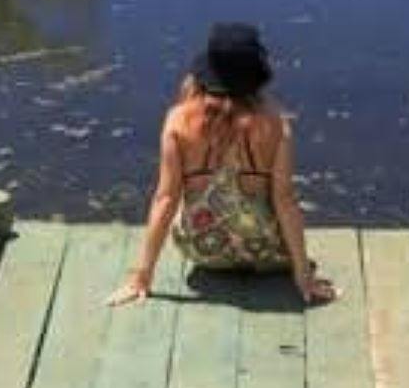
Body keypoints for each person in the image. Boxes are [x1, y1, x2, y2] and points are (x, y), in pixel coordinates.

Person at [106, 22, 335, 307]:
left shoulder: (178, 122)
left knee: (178, 198)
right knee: (273, 201)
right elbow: (285, 200)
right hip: (266, 250)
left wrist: (142, 276)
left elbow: (165, 198)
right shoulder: (276, 124)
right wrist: (303, 276)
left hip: (203, 249)